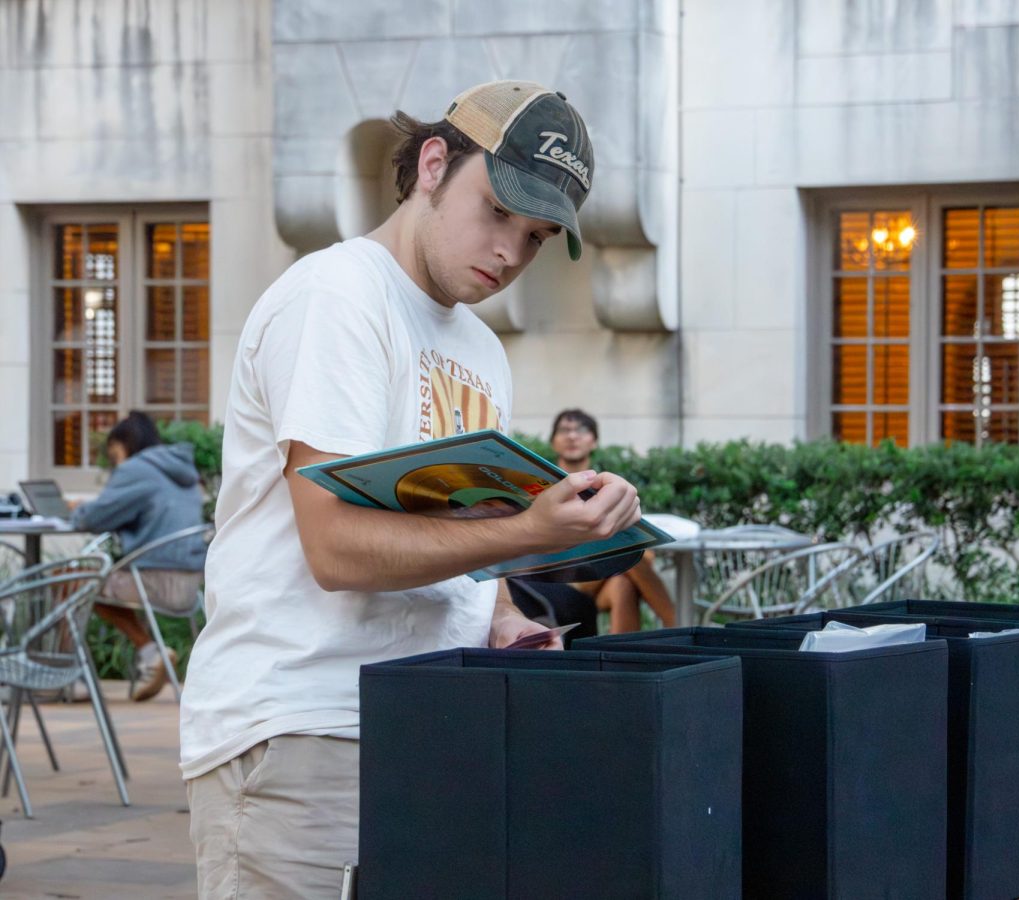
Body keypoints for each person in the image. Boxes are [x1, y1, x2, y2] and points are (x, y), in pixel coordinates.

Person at [180, 81, 643, 897]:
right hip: (303, 727)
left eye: (535, 236)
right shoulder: (338, 295)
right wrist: (532, 534)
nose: (509, 252)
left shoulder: (481, 350)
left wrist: (506, 619)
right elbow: (336, 547)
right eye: (498, 212)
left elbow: (460, 543)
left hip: (425, 724)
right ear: (434, 163)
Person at [70, 411, 207, 701]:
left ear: (125, 444)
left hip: (153, 581)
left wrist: (74, 509)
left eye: (114, 453)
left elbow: (92, 519)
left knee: (70, 582)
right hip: (189, 584)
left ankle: (66, 678)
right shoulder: (184, 472)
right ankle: (150, 653)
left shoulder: (136, 470)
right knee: (94, 583)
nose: (114, 462)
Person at [549, 409, 676, 632]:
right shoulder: (546, 488)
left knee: (623, 583)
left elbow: (646, 552)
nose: (572, 436)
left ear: (594, 442)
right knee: (629, 556)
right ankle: (678, 624)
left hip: (601, 582)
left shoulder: (607, 488)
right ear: (553, 443)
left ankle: (620, 661)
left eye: (581, 430)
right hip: (560, 581)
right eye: (564, 430)